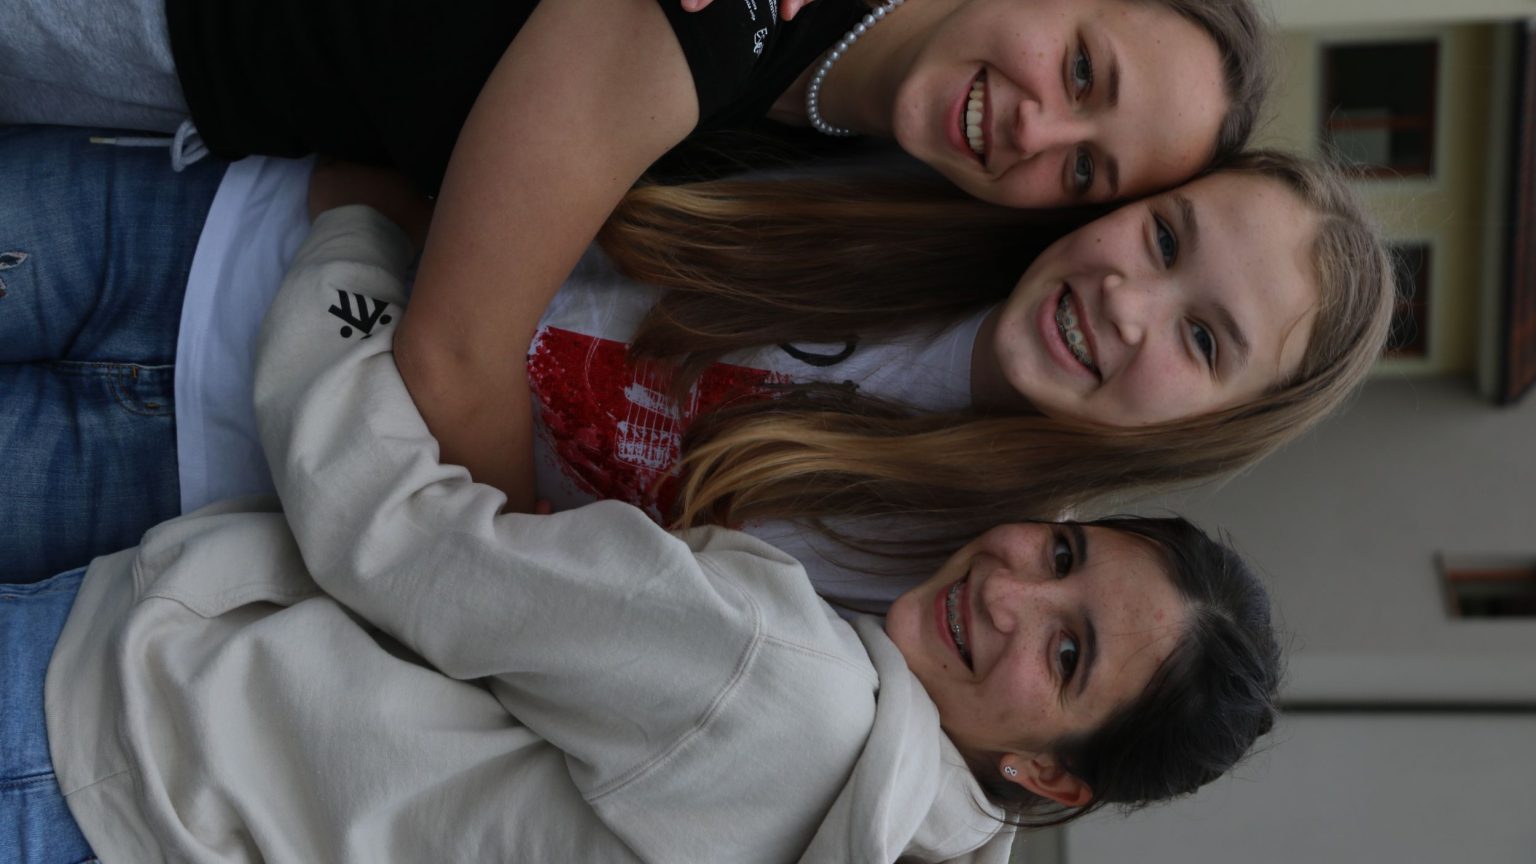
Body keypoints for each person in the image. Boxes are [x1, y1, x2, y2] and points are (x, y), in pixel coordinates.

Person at [0, 190, 1284, 863]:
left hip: (112, 739)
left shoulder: (782, 686)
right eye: (1063, 553)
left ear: (1051, 776)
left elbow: (396, 537)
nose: (1012, 592)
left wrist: (355, 246)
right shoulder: (884, 836)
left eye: (1067, 653)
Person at [0, 0, 1273, 500]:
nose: (1040, 131)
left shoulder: (838, 116)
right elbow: (455, 355)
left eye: (1088, 174)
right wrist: (513, 576)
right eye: (1084, 69)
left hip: (174, 81)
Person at [0, 127, 1390, 603]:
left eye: (1203, 339)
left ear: (1216, 426)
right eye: (1164, 236)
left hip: (186, 482)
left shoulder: (977, 579)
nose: (1130, 302)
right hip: (205, 239)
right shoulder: (928, 169)